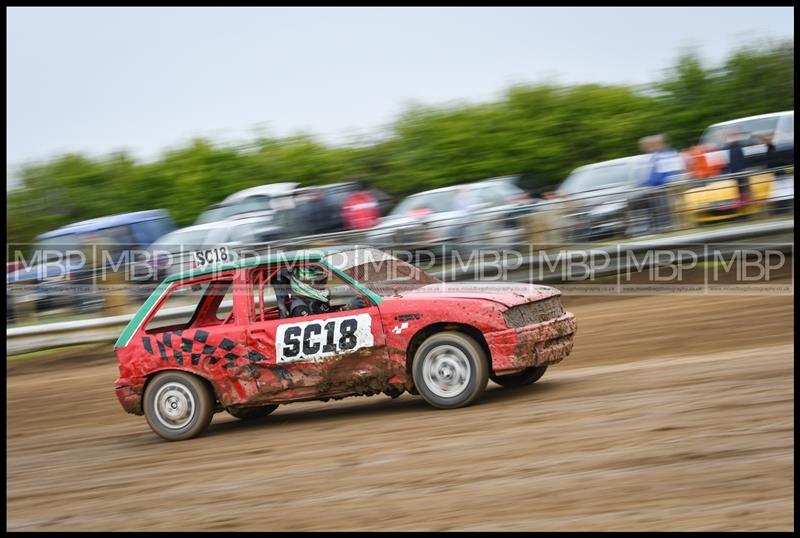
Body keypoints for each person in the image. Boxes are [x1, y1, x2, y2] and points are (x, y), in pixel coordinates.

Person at [639, 135, 684, 233]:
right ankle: (662, 227)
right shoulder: (658, 154)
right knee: (660, 209)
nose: (647, 147)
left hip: (664, 187)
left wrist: (653, 183)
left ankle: (667, 227)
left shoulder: (665, 154)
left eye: (648, 144)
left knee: (666, 209)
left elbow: (666, 173)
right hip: (660, 187)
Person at [724, 128, 750, 204]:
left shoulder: (738, 146)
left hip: (739, 170)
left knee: (743, 187)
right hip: (736, 171)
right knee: (740, 188)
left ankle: (744, 201)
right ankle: (743, 201)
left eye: (734, 135)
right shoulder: (732, 146)